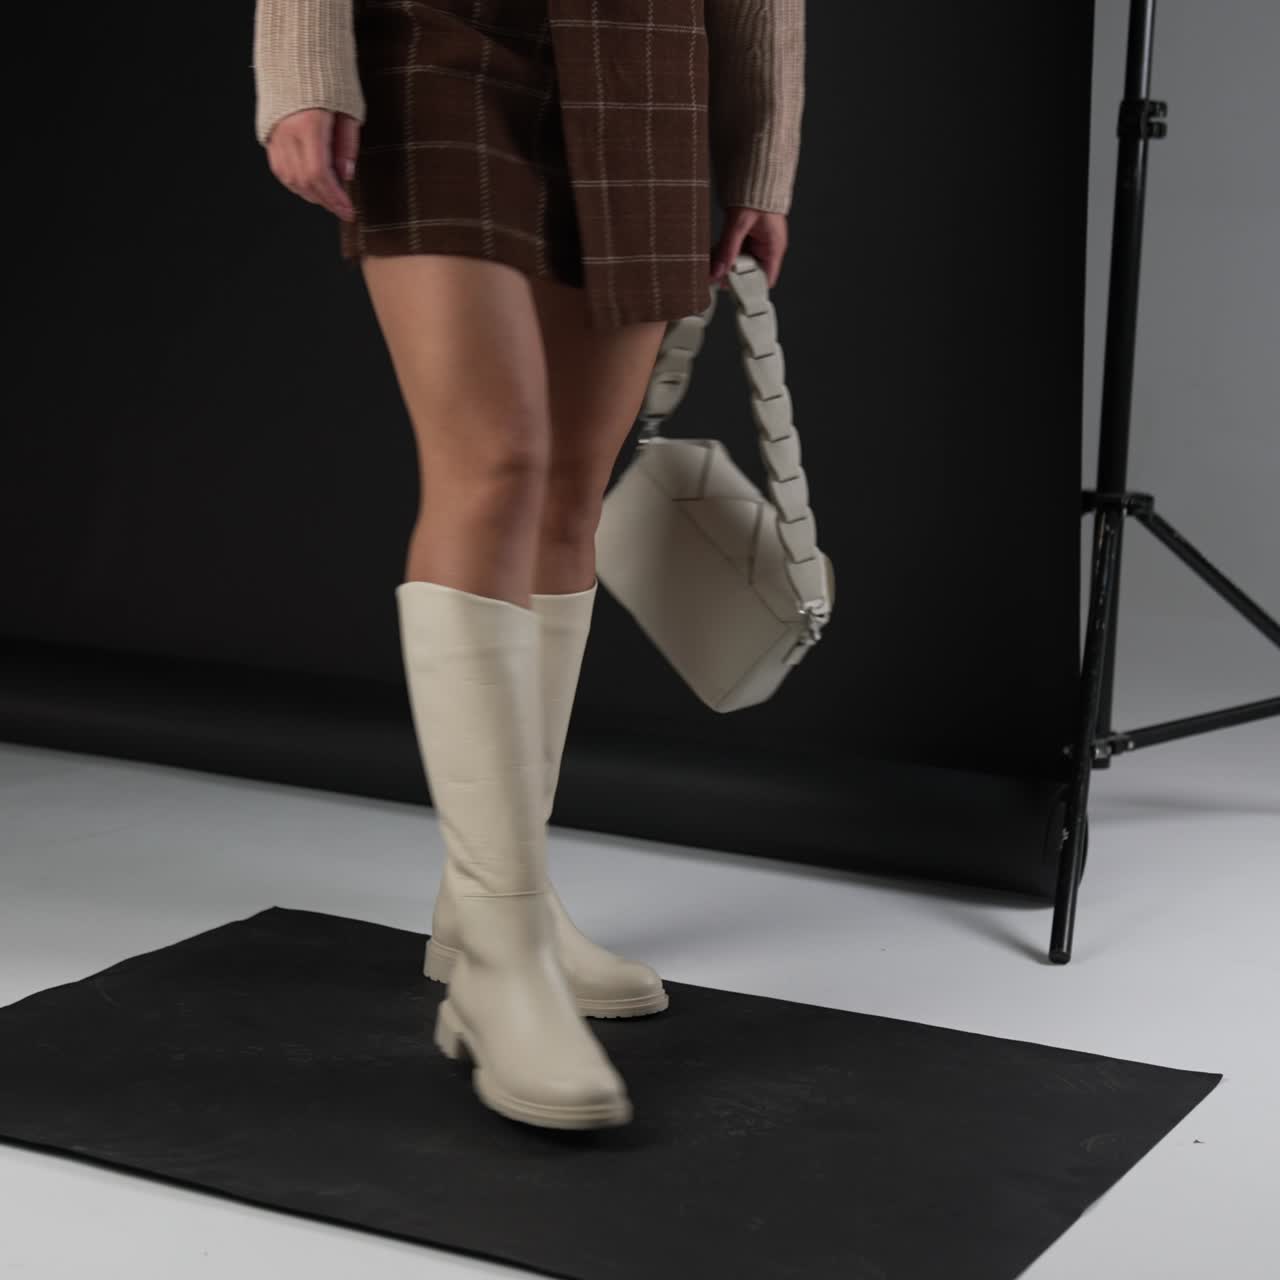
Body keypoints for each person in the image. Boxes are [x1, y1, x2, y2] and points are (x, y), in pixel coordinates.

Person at [251, 0, 804, 1131]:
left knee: (566, 497)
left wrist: (760, 148)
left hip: (651, 62)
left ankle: (497, 902)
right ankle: (500, 963)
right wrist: (303, 60)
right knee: (494, 460)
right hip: (435, 47)